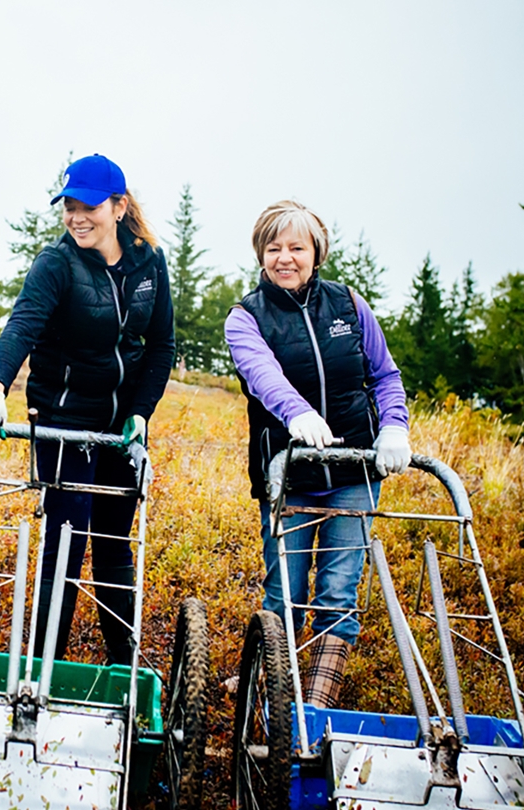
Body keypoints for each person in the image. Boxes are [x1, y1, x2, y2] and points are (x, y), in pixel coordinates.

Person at [0, 154, 174, 665]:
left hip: (122, 423)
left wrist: (140, 413)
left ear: (119, 207)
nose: (77, 217)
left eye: (89, 207)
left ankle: (122, 667)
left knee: (115, 540)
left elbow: (161, 345)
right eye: (69, 207)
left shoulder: (148, 262)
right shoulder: (56, 264)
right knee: (68, 534)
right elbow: (23, 324)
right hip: (63, 417)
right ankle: (44, 667)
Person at [223, 200, 411, 708]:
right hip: (289, 473)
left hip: (354, 471)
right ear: (261, 254)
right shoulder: (245, 317)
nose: (285, 257)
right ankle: (269, 680)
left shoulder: (349, 306)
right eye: (274, 247)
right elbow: (263, 375)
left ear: (316, 252)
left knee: (338, 591)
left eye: (296, 247)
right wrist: (297, 414)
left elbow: (385, 375)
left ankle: (315, 705)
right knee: (284, 588)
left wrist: (393, 428)